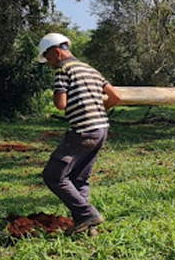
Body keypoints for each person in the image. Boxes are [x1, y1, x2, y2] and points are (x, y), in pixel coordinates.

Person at [37, 33, 120, 235]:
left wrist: (57, 94)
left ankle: (86, 214)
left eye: (48, 59)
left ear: (56, 51)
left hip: (83, 131)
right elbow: (115, 96)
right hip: (101, 129)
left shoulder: (63, 71)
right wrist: (97, 110)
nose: (49, 64)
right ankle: (88, 229)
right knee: (79, 179)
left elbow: (60, 104)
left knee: (53, 176)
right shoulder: (90, 69)